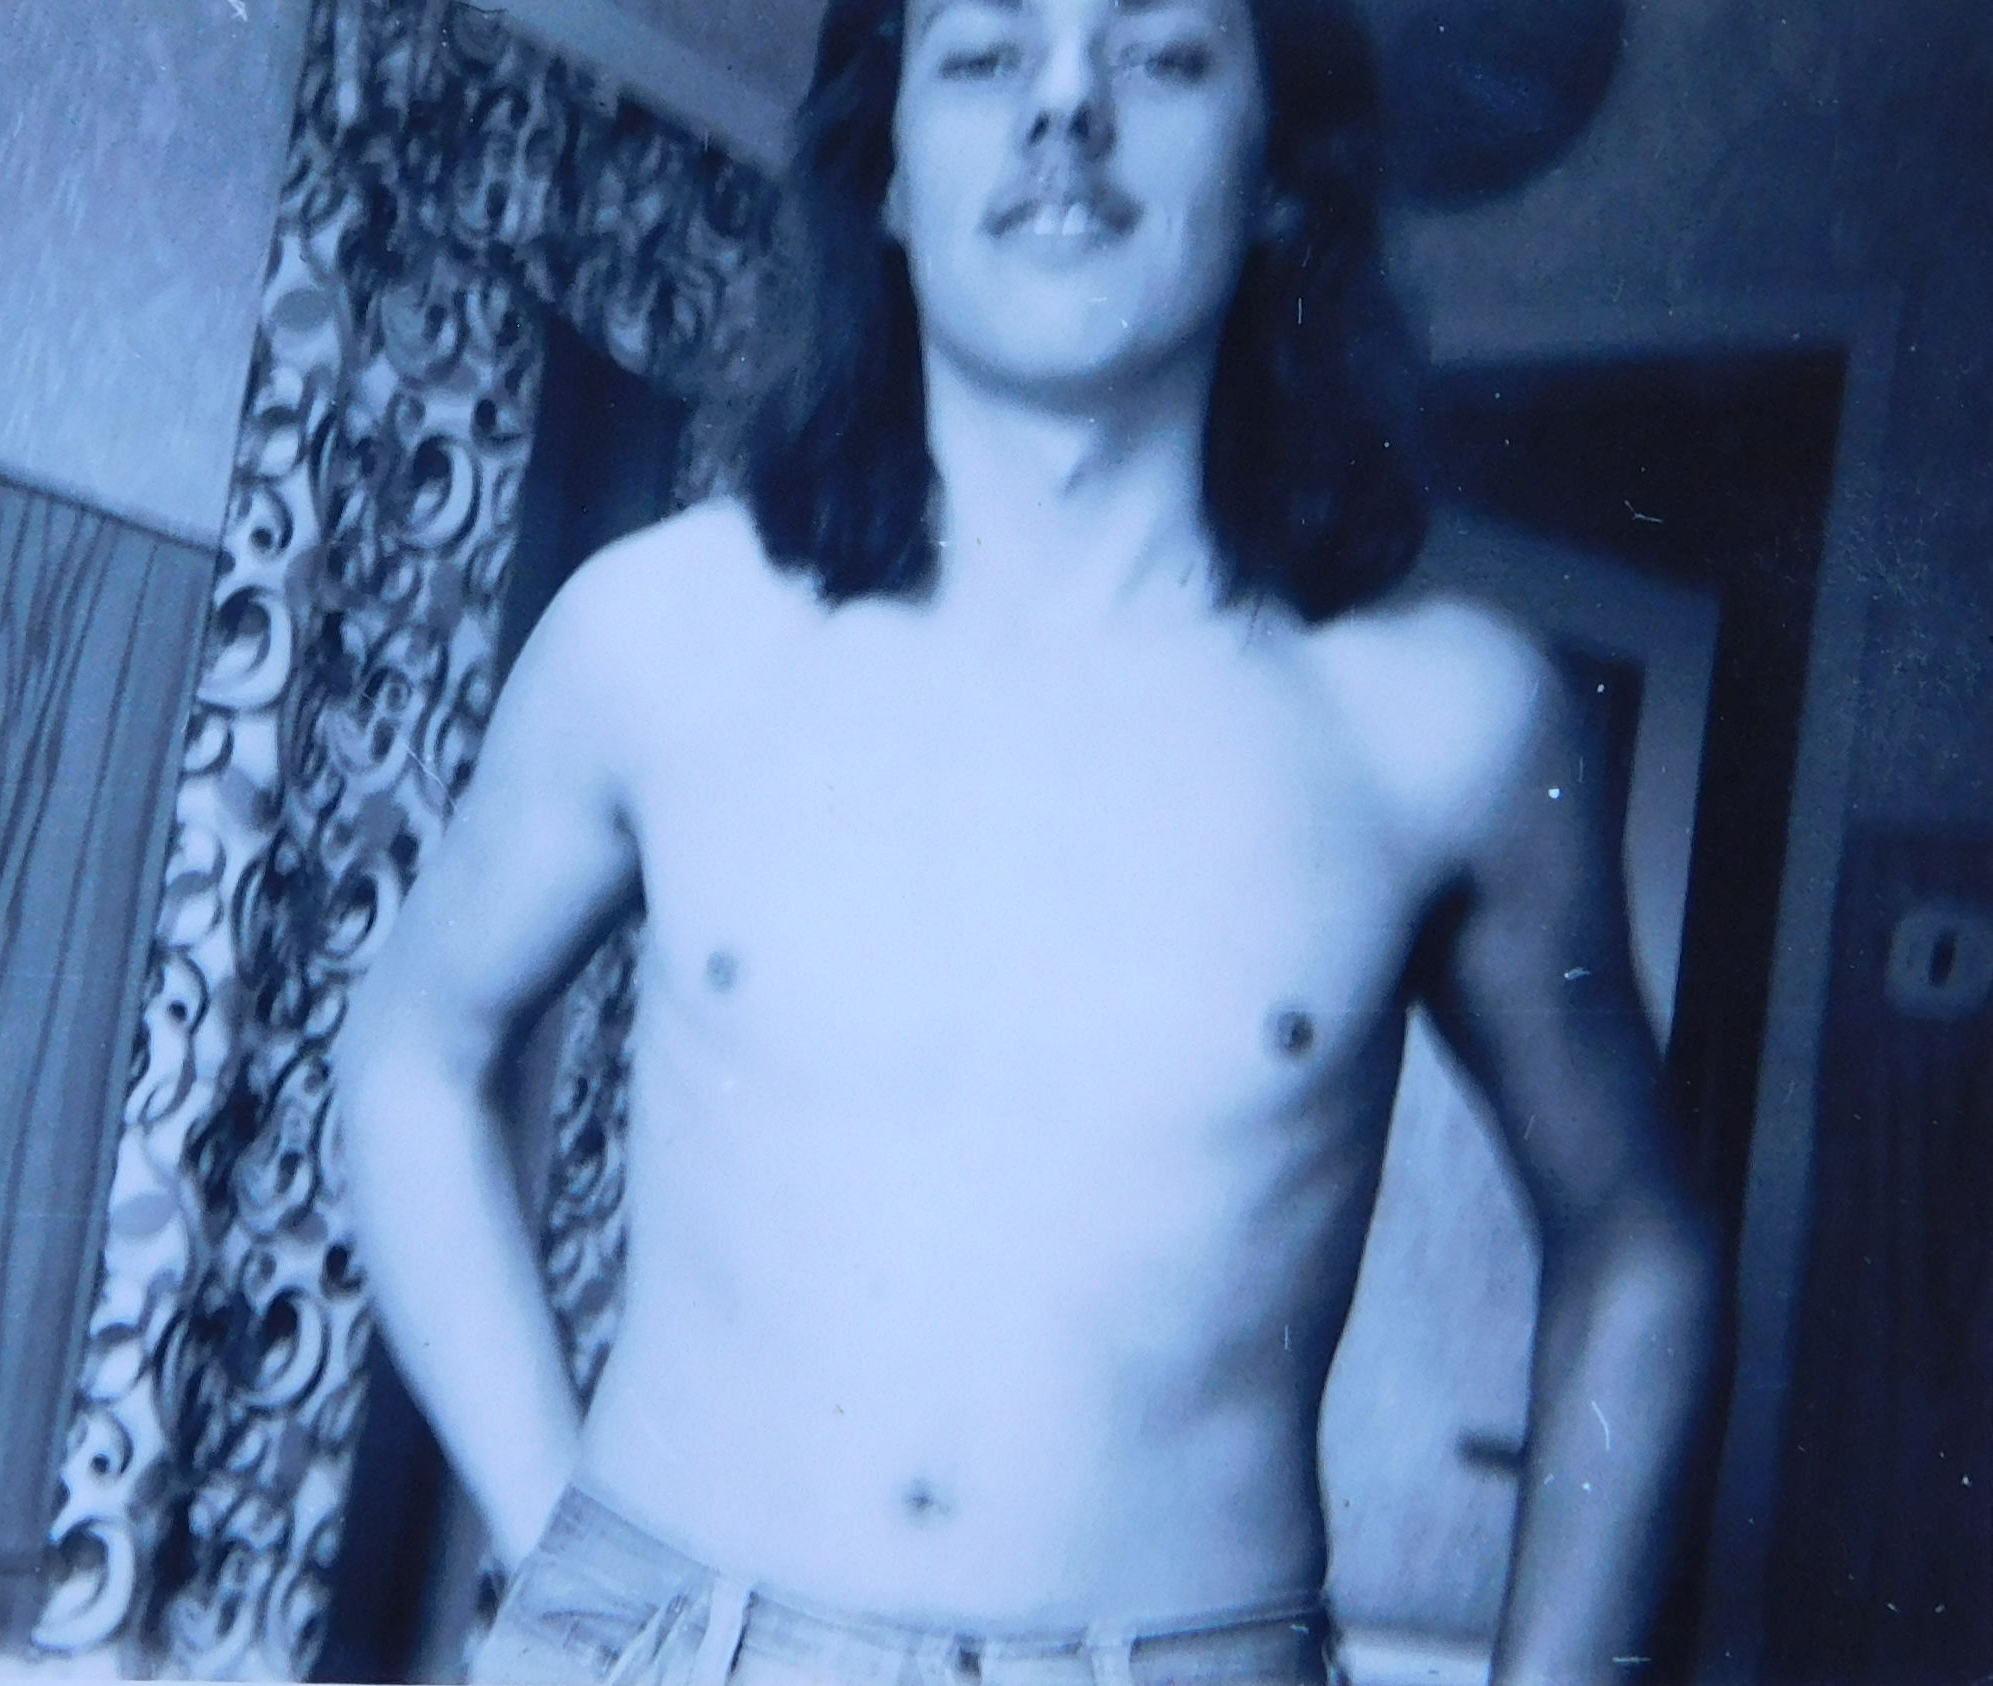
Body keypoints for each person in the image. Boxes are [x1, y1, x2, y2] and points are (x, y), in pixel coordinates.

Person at [335, 0, 1721, 1680]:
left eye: (1159, 55)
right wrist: (567, 1555)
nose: (1064, 107)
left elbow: (1635, 1247)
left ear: (1279, 170)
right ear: (888, 171)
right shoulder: (655, 635)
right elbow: (408, 1057)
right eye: (985, 54)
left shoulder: (1445, 721)